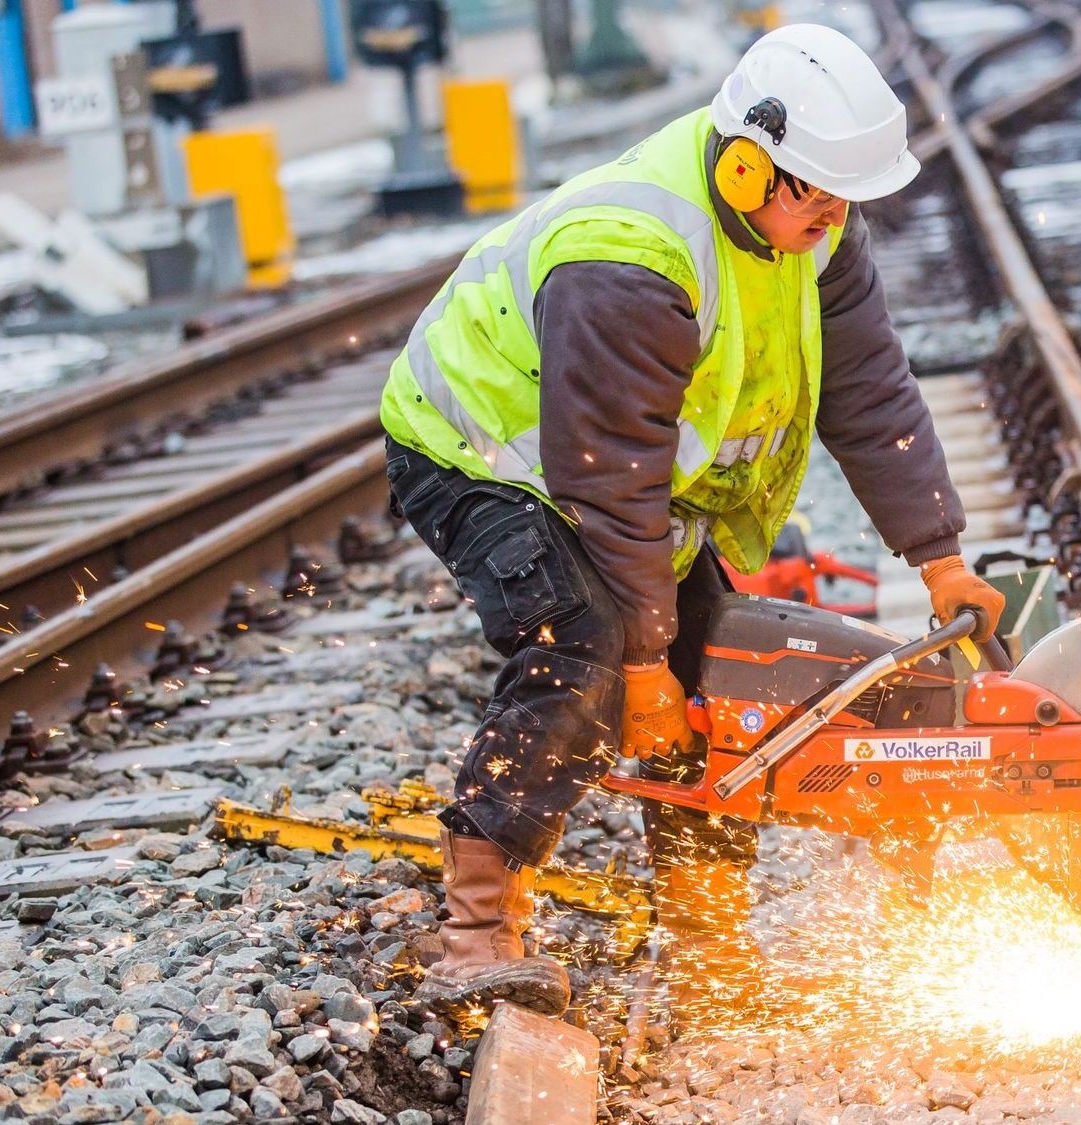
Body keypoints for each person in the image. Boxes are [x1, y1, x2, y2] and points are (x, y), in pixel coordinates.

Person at [377, 23, 1007, 1018]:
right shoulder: (628, 260)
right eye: (821, 193)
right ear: (749, 165)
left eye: (847, 197)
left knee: (718, 672)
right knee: (582, 648)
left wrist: (940, 560)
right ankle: (472, 930)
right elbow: (606, 479)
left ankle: (708, 954)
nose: (838, 216)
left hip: (606, 467)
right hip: (480, 455)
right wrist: (638, 667)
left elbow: (868, 387)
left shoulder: (817, 226)